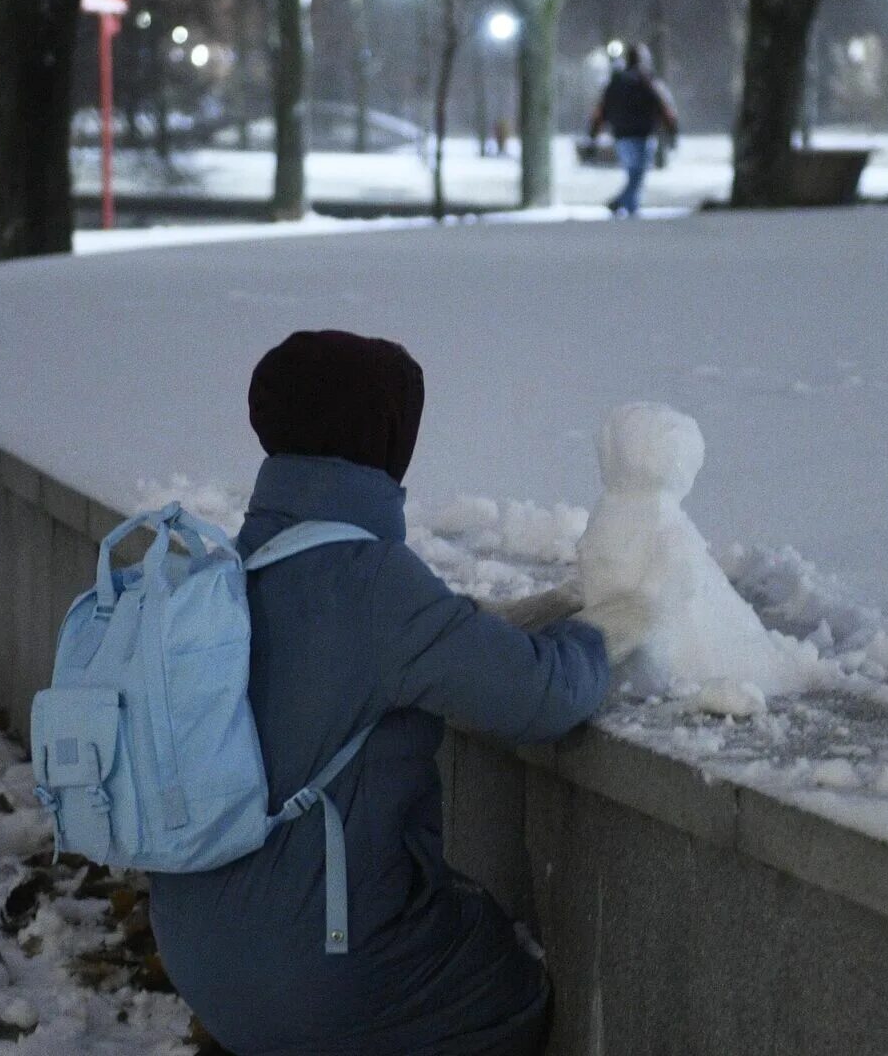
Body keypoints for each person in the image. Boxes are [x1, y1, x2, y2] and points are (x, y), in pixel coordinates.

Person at [148, 329, 652, 1055]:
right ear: (385, 439)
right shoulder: (373, 579)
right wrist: (603, 633)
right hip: (316, 982)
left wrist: (484, 625)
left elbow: (378, 644)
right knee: (508, 981)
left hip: (197, 958)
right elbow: (542, 698)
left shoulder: (231, 566)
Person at [587, 44, 678, 216]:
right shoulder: (648, 82)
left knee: (633, 172)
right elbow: (665, 107)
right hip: (643, 134)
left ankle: (629, 208)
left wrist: (594, 133)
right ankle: (624, 205)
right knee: (638, 174)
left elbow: (601, 110)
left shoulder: (615, 83)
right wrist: (672, 130)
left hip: (622, 135)